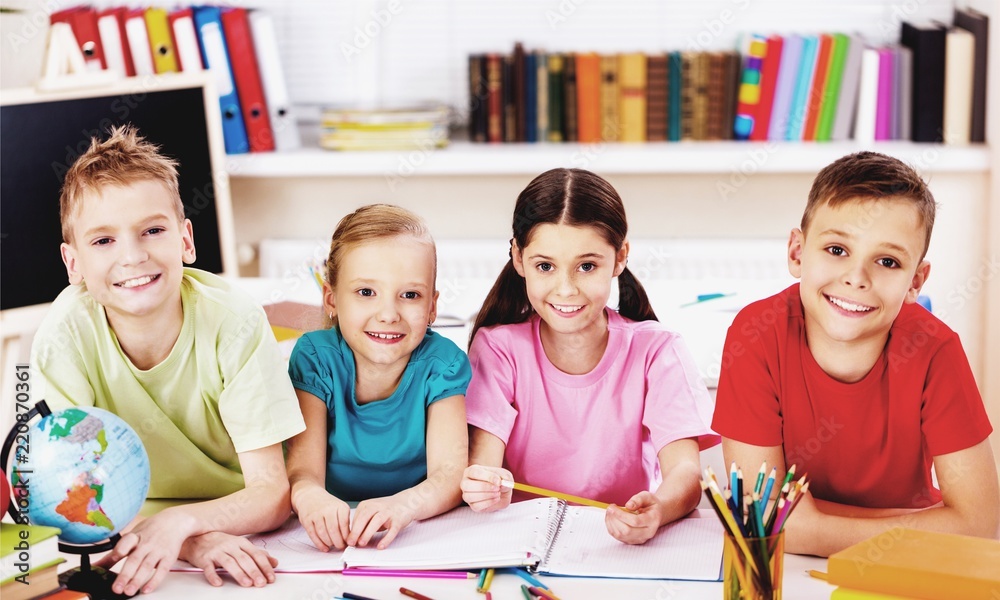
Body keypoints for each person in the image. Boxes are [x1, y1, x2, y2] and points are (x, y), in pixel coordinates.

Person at [30, 125, 306, 594]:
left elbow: (273, 493)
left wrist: (184, 523)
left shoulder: (233, 322)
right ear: (72, 264)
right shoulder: (65, 334)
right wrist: (193, 542)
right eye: (103, 241)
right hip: (141, 523)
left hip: (237, 508)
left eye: (152, 231)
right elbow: (66, 496)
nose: (133, 256)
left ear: (185, 241)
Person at [712, 151, 999, 556]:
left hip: (905, 567)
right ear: (797, 252)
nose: (857, 278)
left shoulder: (936, 351)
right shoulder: (756, 334)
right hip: (831, 561)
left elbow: (980, 522)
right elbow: (762, 516)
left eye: (887, 261)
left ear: (915, 280)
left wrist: (813, 528)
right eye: (836, 250)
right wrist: (929, 519)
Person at [460, 168, 718, 545]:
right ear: (518, 258)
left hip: (618, 548)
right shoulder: (498, 349)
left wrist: (658, 510)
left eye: (587, 266)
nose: (566, 289)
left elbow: (684, 472)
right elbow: (484, 465)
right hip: (521, 545)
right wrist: (483, 486)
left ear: (620, 257)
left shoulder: (658, 350)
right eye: (545, 266)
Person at [284, 204, 470, 552]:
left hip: (416, 530)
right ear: (331, 299)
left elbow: (449, 475)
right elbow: (303, 471)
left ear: (432, 306)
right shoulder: (314, 357)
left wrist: (402, 506)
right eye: (366, 292)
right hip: (328, 536)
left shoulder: (443, 364)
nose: (388, 315)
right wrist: (311, 497)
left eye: (410, 295)